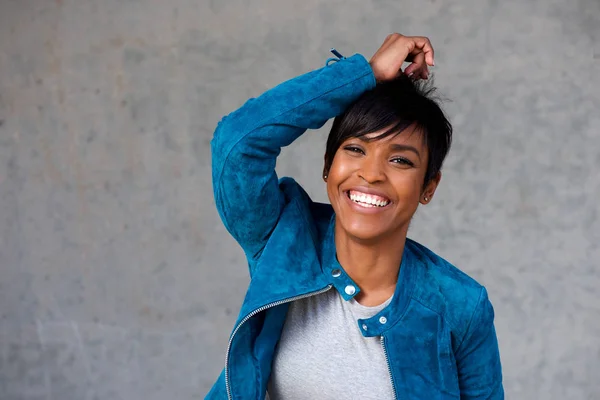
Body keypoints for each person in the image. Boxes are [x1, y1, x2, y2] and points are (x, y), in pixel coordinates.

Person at [206, 34, 503, 399]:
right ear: (328, 166)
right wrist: (365, 74)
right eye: (356, 149)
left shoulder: (460, 305)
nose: (372, 173)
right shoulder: (283, 240)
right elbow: (236, 143)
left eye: (400, 160)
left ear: (429, 187)